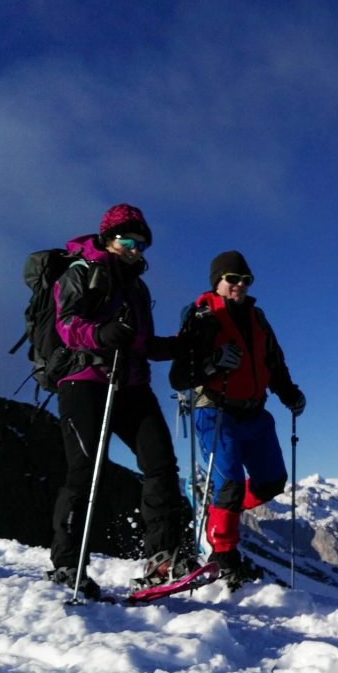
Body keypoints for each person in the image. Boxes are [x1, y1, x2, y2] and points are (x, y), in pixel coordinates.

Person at [47, 203, 195, 598]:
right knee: (86, 469)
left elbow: (142, 344)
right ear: (108, 238)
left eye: (142, 244)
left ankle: (161, 557)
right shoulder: (79, 272)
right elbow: (67, 325)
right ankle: (68, 564)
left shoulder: (137, 287)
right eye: (129, 241)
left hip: (130, 383)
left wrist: (182, 346)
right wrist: (102, 334)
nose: (136, 249)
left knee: (160, 463)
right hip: (84, 380)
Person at [170, 250, 306, 585]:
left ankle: (215, 508)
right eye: (233, 279)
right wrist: (214, 363)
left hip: (255, 413)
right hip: (215, 411)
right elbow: (179, 376)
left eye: (246, 280)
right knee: (229, 485)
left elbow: (273, 361)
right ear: (216, 281)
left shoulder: (257, 318)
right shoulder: (201, 316)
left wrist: (289, 394)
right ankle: (223, 556)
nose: (239, 285)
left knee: (272, 482)